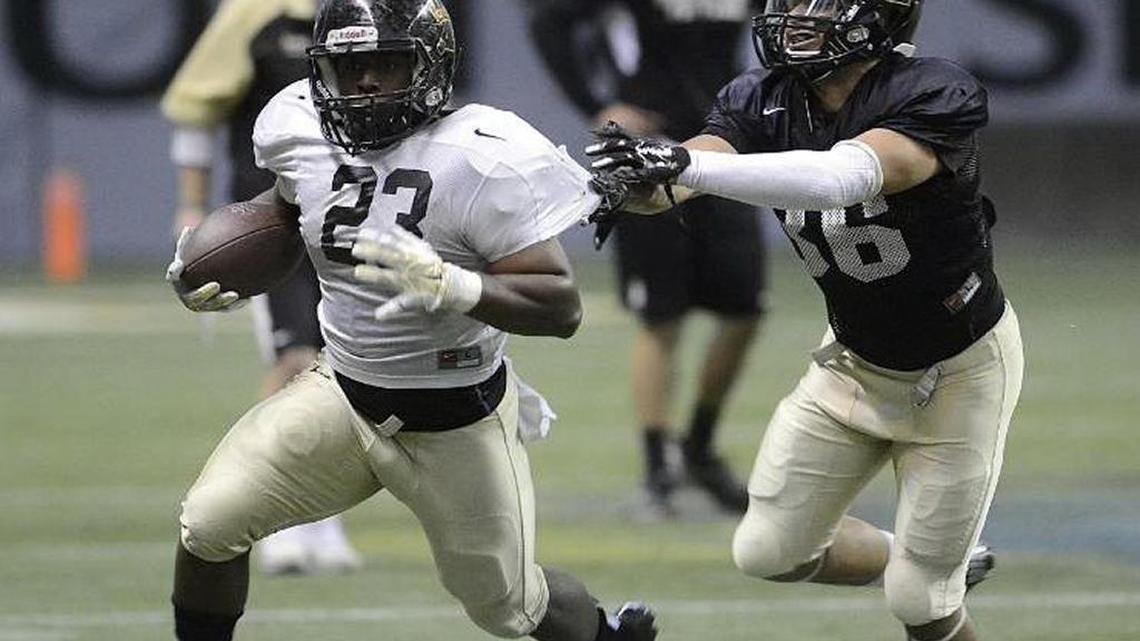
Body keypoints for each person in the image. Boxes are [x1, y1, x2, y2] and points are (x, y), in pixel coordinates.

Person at [164, 1, 659, 640]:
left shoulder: (484, 153)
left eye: (386, 64)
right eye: (349, 66)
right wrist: (216, 262)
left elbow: (560, 306)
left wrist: (452, 285)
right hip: (342, 396)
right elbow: (287, 213)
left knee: (510, 609)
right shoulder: (297, 124)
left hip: (456, 417)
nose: (364, 81)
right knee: (208, 523)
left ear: (428, 66)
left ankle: (605, 634)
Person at [586, 1, 1022, 640]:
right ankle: (925, 559)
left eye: (816, 1)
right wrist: (632, 180)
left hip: (956, 372)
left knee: (920, 601)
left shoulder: (932, 91)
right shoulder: (761, 96)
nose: (793, 14)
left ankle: (928, 573)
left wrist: (685, 165)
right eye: (788, 1)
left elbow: (844, 176)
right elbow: (681, 176)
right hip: (851, 364)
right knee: (766, 551)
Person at [526, 0, 766, 519]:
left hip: (722, 147)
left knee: (745, 309)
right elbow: (549, 21)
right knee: (661, 317)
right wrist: (596, 104)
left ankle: (699, 447)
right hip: (647, 149)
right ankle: (659, 467)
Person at [160, 0, 361, 575]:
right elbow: (196, 104)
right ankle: (277, 516)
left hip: (359, 214)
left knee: (346, 367)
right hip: (278, 220)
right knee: (294, 360)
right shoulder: (258, 12)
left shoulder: (377, 12)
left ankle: (324, 519)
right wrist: (191, 204)